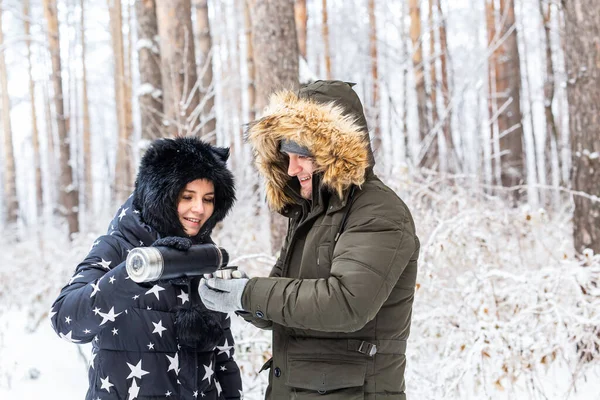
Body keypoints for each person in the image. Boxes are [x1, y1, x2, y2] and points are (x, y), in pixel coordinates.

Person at [199, 80, 420, 399]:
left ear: (335, 148)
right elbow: (282, 307)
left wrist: (249, 294)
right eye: (286, 156)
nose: (291, 169)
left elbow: (345, 304)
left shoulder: (378, 211)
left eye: (301, 154)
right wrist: (239, 297)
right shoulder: (308, 214)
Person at [50, 137, 242, 400]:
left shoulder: (205, 258)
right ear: (160, 196)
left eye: (208, 199)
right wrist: (139, 270)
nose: (199, 209)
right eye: (187, 196)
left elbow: (224, 360)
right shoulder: (116, 248)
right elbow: (65, 321)